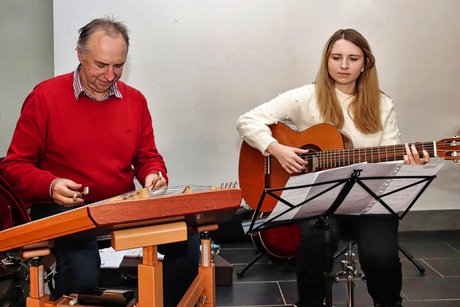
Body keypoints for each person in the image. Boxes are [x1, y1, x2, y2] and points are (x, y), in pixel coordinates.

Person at [0, 17, 200, 306]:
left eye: (118, 66)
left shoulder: (136, 101)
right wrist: (51, 184)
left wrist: (154, 172)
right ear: (80, 55)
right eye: (101, 65)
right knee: (82, 271)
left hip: (121, 206)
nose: (110, 75)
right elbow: (14, 166)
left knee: (189, 246)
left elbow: (147, 156)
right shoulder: (45, 97)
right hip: (65, 209)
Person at [236, 28, 430, 307]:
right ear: (326, 60)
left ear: (366, 63)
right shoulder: (306, 96)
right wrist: (276, 149)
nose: (344, 65)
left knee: (380, 254)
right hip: (319, 198)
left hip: (368, 199)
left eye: (353, 58)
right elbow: (247, 121)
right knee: (317, 240)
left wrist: (410, 164)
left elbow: (390, 162)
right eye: (336, 57)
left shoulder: (382, 104)